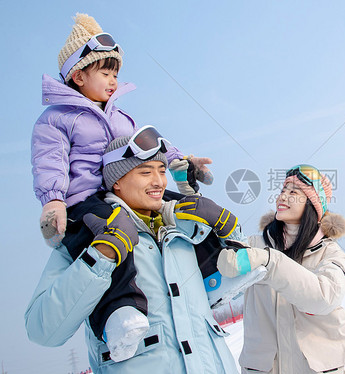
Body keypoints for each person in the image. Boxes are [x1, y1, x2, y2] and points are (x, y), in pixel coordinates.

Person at [30, 13, 211, 361]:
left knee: (186, 210)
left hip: (122, 194)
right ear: (78, 75)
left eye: (116, 73)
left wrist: (179, 161)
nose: (114, 80)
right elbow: (49, 161)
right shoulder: (56, 119)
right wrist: (53, 201)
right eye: (105, 73)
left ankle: (218, 264)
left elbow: (147, 147)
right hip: (85, 202)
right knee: (114, 238)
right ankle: (119, 314)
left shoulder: (121, 117)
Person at [25, 136, 240, 373]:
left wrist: (226, 229)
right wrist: (102, 254)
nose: (159, 182)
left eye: (161, 170)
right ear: (116, 180)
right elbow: (43, 330)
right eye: (145, 173)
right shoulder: (86, 234)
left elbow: (231, 284)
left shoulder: (183, 226)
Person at [217, 164, 345, 374]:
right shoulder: (254, 246)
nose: (283, 196)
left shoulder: (331, 254)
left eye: (294, 192)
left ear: (312, 204)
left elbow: (323, 299)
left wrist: (271, 262)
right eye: (283, 190)